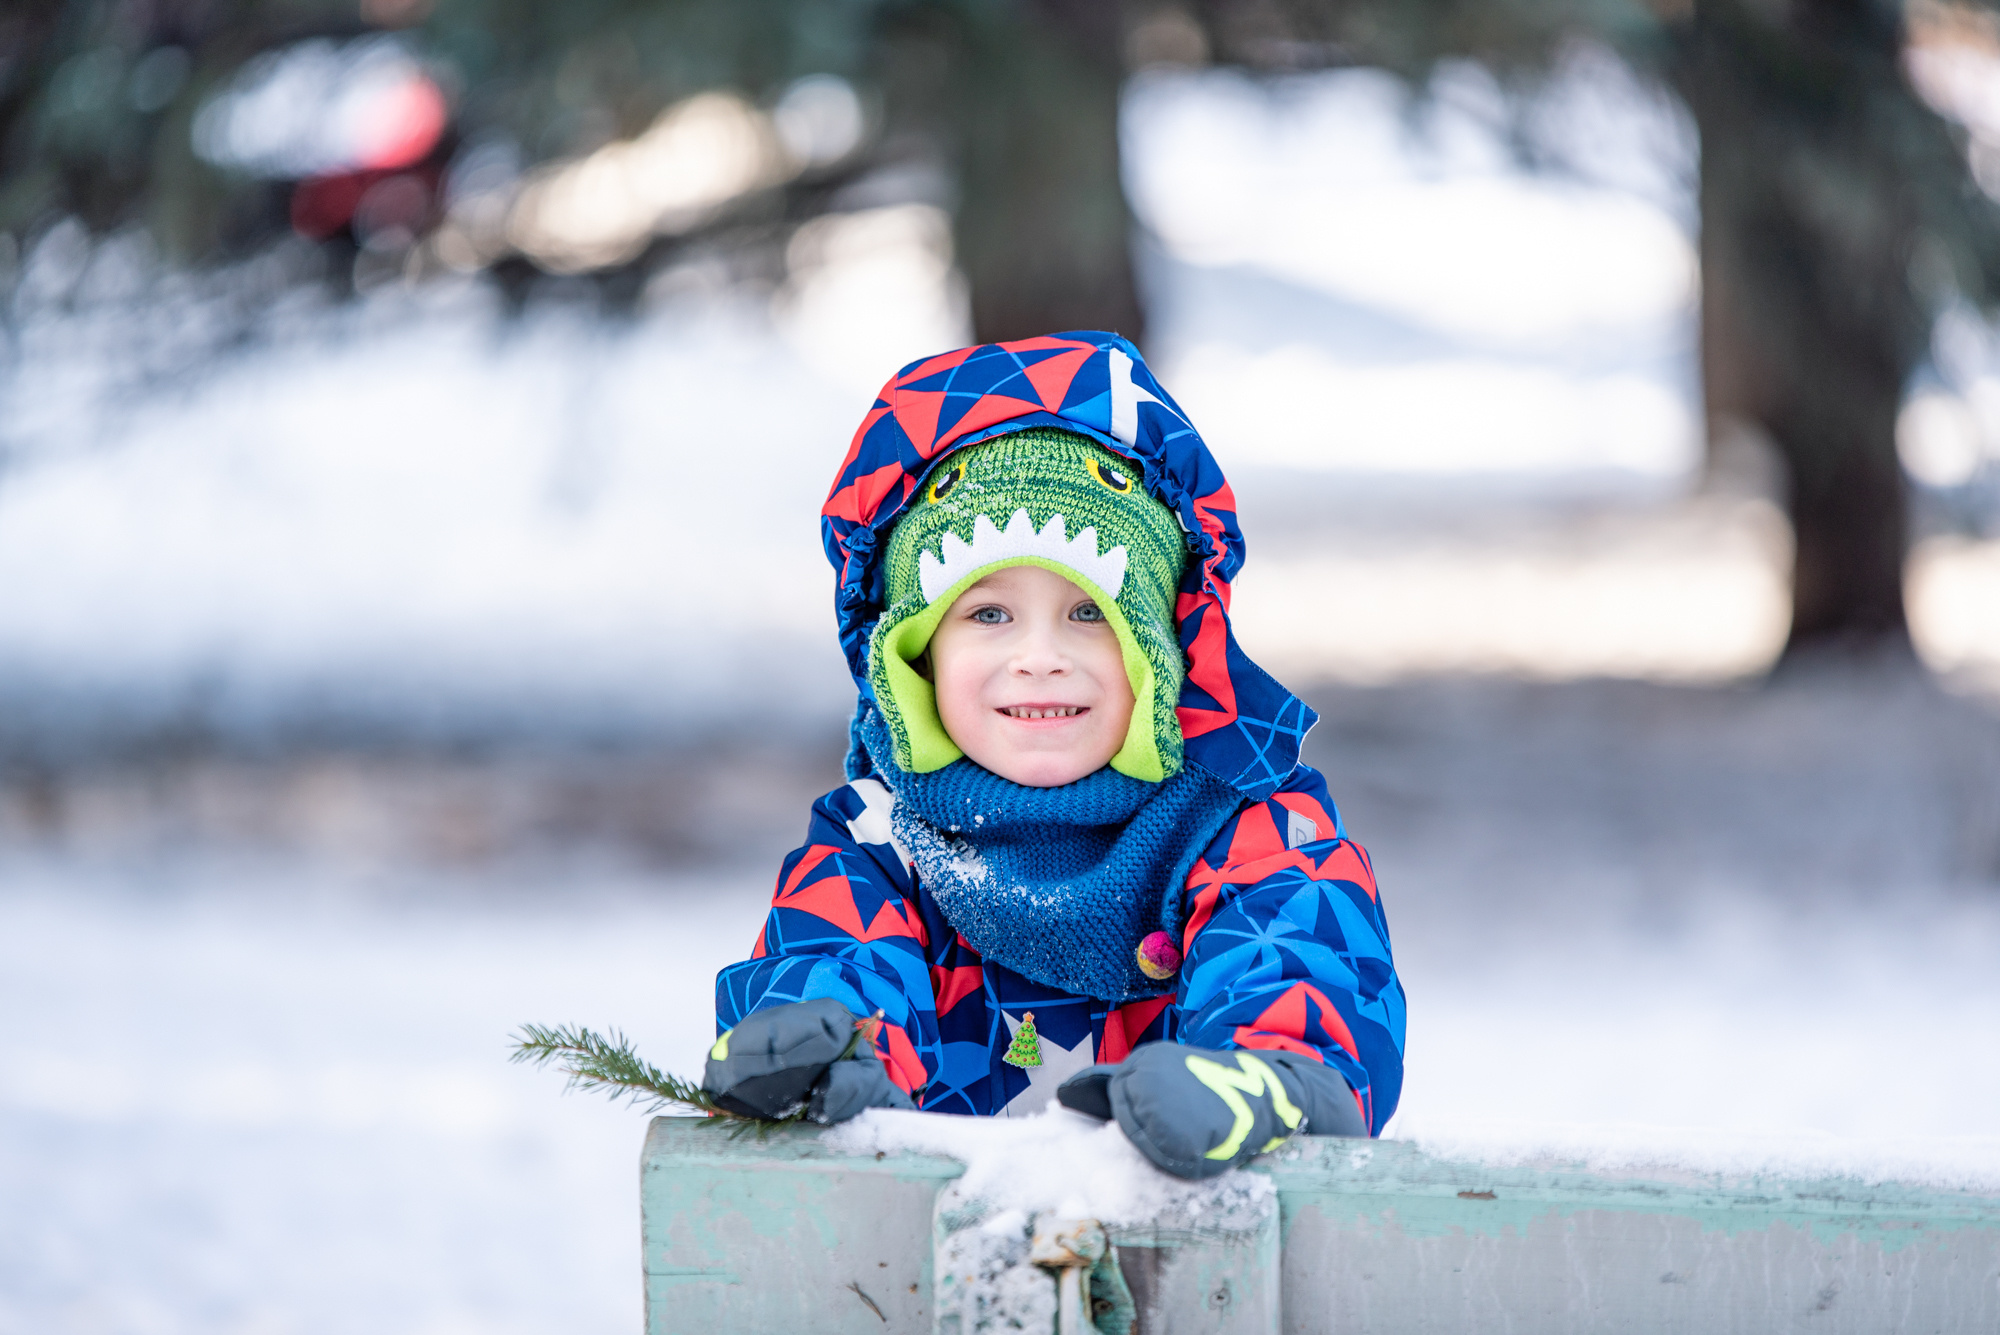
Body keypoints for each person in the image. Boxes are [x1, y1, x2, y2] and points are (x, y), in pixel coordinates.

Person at [703, 332, 1405, 1180]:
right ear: (912, 654)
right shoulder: (880, 841)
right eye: (988, 614)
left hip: (1193, 1259)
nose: (1040, 656)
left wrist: (1268, 1070)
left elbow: (1299, 946)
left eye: (1089, 614)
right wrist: (822, 1035)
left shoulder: (1242, 825)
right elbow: (839, 948)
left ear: (1162, 646)